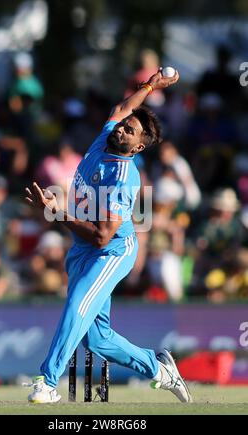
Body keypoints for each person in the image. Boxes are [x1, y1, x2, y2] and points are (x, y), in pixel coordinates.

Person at [25, 69, 192, 403]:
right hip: (82, 248)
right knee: (97, 340)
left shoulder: (124, 178)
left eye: (129, 131)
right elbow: (120, 110)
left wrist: (58, 213)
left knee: (77, 305)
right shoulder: (106, 137)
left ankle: (47, 381)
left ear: (139, 146)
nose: (121, 128)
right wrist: (149, 86)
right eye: (123, 125)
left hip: (111, 251)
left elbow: (102, 236)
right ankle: (159, 370)